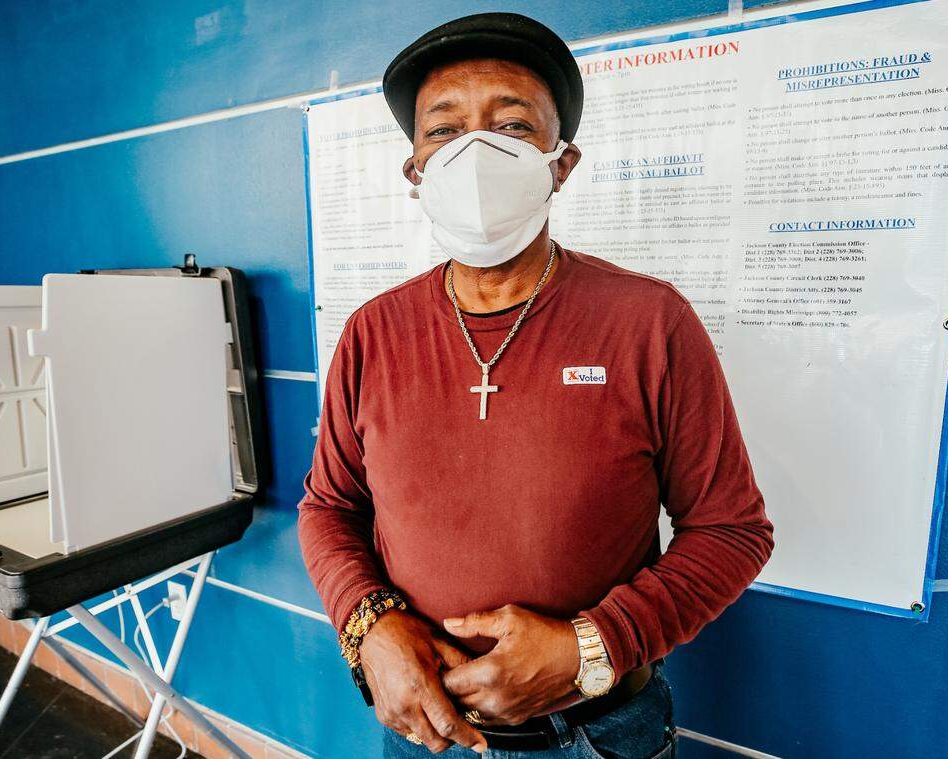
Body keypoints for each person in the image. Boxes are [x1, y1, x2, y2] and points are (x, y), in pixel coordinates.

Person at [297, 12, 774, 758]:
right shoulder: (373, 333)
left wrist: (592, 644)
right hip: (429, 735)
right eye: (444, 131)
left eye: (513, 126)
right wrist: (370, 629)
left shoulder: (650, 322)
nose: (475, 151)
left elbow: (731, 530)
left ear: (561, 162)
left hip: (604, 732)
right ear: (415, 170)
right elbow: (329, 508)